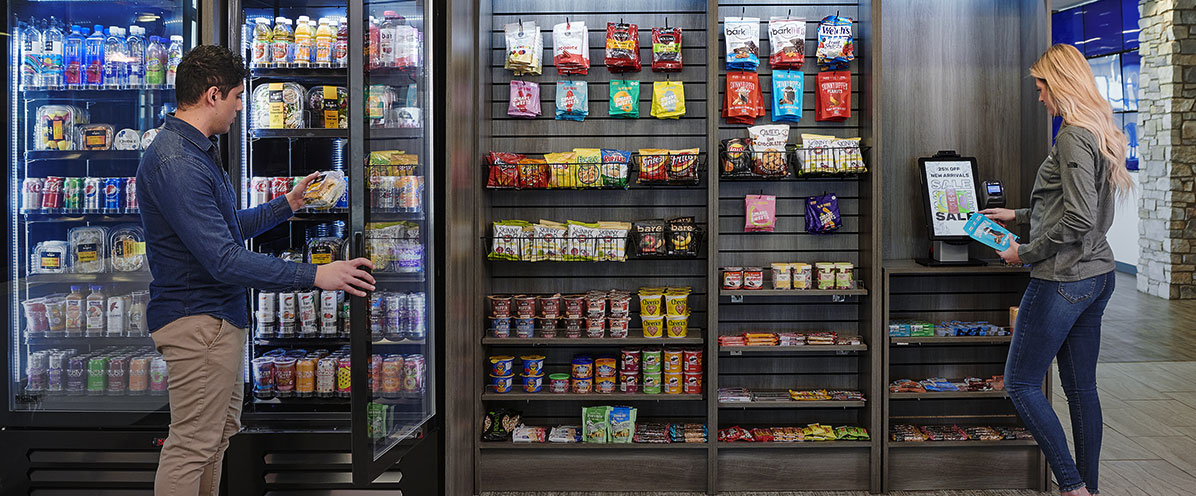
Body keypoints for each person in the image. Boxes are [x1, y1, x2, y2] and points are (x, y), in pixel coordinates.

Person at [136, 45, 376, 496]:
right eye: (238, 97)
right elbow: (223, 259)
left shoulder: (196, 153)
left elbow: (226, 229)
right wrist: (316, 275)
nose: (241, 107)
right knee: (192, 446)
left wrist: (288, 204)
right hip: (197, 322)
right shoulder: (177, 163)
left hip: (214, 319)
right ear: (212, 95)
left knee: (215, 439)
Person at [981, 43, 1131, 496]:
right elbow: (1069, 206)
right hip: (1098, 275)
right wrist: (1019, 214)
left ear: (1060, 85)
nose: (1040, 97)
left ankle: (1071, 485)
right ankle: (1089, 489)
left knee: (1021, 383)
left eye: (1042, 87)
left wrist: (1022, 253)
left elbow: (1079, 217)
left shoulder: (1070, 136)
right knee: (1082, 391)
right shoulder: (1096, 131)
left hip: (1063, 279)